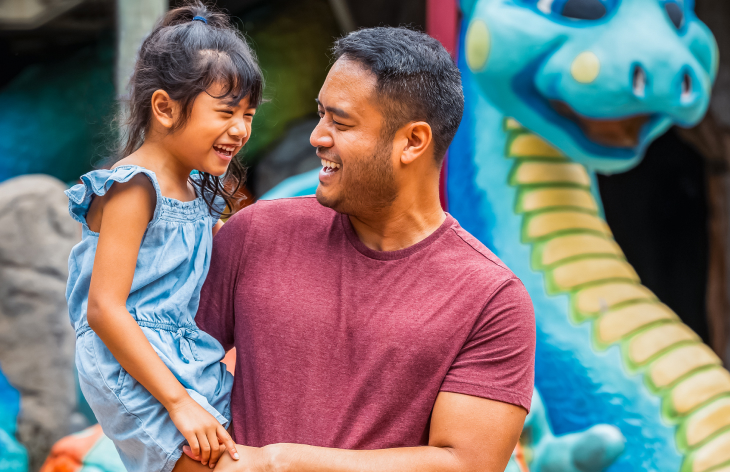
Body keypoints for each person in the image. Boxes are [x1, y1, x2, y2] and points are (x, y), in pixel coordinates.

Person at [184, 27, 537, 472]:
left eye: (341, 122)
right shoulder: (253, 234)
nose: (317, 137)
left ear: (413, 142)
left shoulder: (492, 299)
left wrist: (280, 462)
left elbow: (465, 463)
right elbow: (166, 374)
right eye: (320, 114)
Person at [64, 2, 263, 471]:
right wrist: (178, 402)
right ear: (165, 108)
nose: (240, 130)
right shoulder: (135, 186)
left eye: (249, 114)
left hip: (183, 357)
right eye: (226, 112)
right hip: (129, 365)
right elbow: (103, 308)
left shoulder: (198, 192)